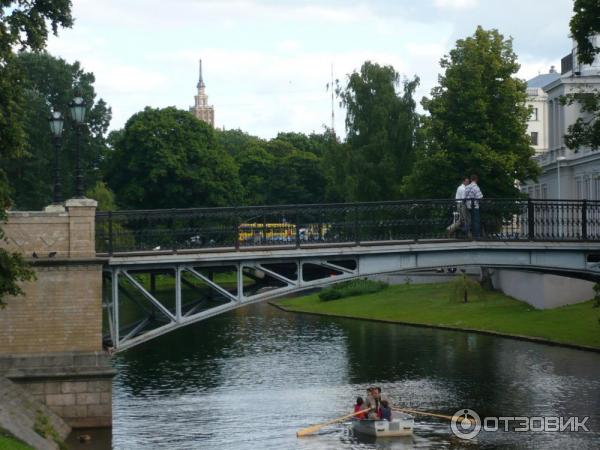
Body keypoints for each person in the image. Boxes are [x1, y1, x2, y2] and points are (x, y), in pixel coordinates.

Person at [464, 174, 483, 239]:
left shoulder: (467, 187)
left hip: (468, 206)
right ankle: (476, 236)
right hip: (475, 206)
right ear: (476, 180)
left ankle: (467, 234)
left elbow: (464, 197)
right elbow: (480, 197)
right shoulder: (476, 187)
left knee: (469, 220)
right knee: (476, 221)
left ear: (471, 179)